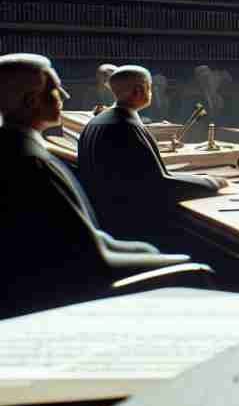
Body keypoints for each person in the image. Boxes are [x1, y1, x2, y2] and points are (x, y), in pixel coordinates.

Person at [1, 55, 181, 319]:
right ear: (31, 102)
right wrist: (180, 265)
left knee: (149, 250)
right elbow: (92, 261)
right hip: (66, 290)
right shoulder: (31, 162)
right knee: (198, 273)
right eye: (54, 89)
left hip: (50, 275)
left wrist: (149, 253)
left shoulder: (16, 149)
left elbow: (85, 237)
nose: (64, 96)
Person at [74, 65, 225, 238]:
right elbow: (160, 184)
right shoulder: (125, 125)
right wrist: (211, 182)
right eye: (150, 87)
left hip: (105, 220)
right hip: (131, 227)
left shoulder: (98, 121)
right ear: (139, 90)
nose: (151, 92)